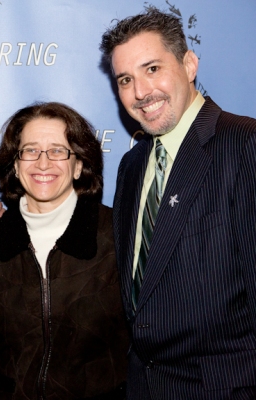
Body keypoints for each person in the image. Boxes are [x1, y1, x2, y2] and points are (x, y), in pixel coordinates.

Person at [100, 9, 256, 399]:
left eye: (152, 68)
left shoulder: (244, 144)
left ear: (188, 64)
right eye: (125, 79)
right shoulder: (131, 166)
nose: (140, 91)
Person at [0, 102, 129, 399]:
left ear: (79, 165)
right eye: (30, 150)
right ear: (15, 164)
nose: (42, 163)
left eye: (57, 151)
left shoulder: (119, 235)